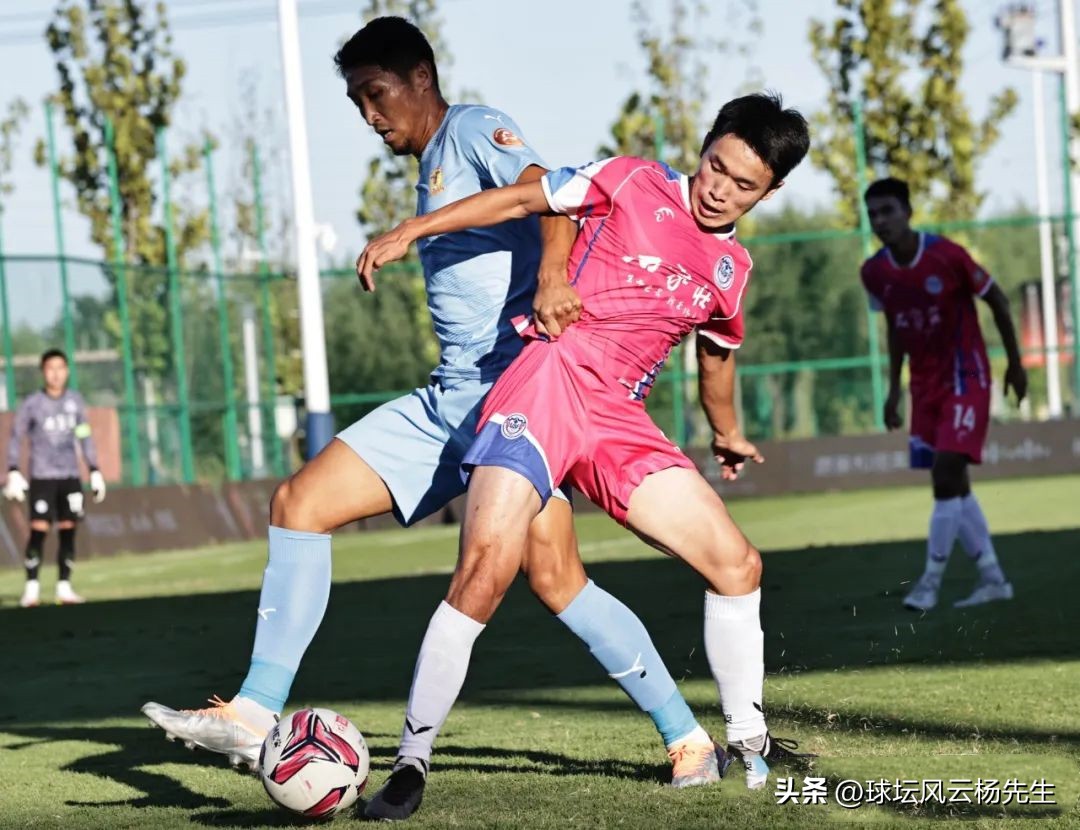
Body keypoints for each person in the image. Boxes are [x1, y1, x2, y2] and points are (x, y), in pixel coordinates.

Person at [142, 16, 724, 792]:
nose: (371, 115)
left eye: (376, 95)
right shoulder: (434, 162)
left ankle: (690, 741)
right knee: (304, 503)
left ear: (421, 78)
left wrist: (552, 280)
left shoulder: (477, 127)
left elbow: (549, 198)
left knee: (555, 580)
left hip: (514, 394)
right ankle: (254, 713)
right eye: (356, 103)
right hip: (452, 395)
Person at [356, 92, 815, 820]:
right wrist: (417, 227)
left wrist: (724, 431)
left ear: (772, 191)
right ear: (705, 147)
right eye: (715, 164)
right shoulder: (633, 179)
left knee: (738, 564)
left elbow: (718, 359)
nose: (719, 186)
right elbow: (526, 198)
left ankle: (749, 742)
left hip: (618, 418)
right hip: (546, 383)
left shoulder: (731, 270)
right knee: (484, 572)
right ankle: (410, 765)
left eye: (743, 184)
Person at [861, 178, 1025, 612]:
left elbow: (1000, 301)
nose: (881, 221)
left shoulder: (946, 255)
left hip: (965, 375)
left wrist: (1016, 363)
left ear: (909, 212)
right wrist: (895, 388)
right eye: (873, 214)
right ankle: (993, 578)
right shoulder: (874, 272)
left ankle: (930, 584)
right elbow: (895, 327)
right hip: (925, 384)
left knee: (944, 473)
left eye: (888, 211)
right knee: (956, 484)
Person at [3, 348, 106, 607]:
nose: (56, 374)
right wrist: (13, 470)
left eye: (61, 368)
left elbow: (84, 436)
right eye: (51, 368)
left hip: (70, 476)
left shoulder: (75, 402)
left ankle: (64, 587)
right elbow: (16, 437)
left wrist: (94, 470)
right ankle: (32, 589)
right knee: (38, 530)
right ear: (43, 372)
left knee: (69, 531)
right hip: (42, 477)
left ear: (67, 371)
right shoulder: (32, 404)